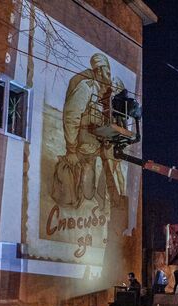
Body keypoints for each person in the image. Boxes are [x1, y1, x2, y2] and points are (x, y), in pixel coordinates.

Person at [60, 53, 112, 208]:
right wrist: (71, 149)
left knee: (88, 193)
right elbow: (71, 116)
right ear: (99, 71)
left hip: (93, 150)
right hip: (80, 147)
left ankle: (83, 196)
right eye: (107, 72)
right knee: (74, 195)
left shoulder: (100, 92)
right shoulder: (86, 88)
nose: (109, 76)